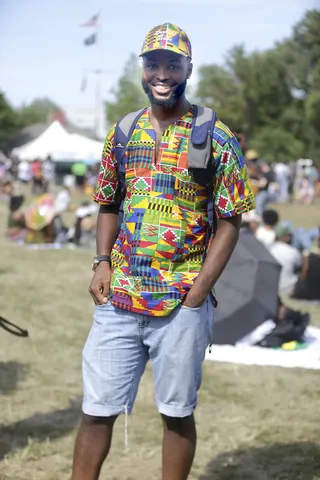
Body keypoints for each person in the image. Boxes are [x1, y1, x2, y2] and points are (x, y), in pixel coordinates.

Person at [71, 23, 255, 480]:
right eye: (153, 63)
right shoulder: (124, 131)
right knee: (96, 410)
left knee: (175, 413)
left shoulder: (215, 133)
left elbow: (231, 221)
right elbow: (109, 202)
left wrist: (198, 292)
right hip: (120, 298)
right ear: (143, 67)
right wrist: (101, 263)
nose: (162, 73)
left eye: (173, 63)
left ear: (189, 68)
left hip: (180, 301)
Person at [269, 223, 302, 296]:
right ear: (285, 237)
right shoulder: (292, 251)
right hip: (289, 288)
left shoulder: (267, 248)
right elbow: (300, 267)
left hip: (269, 287)